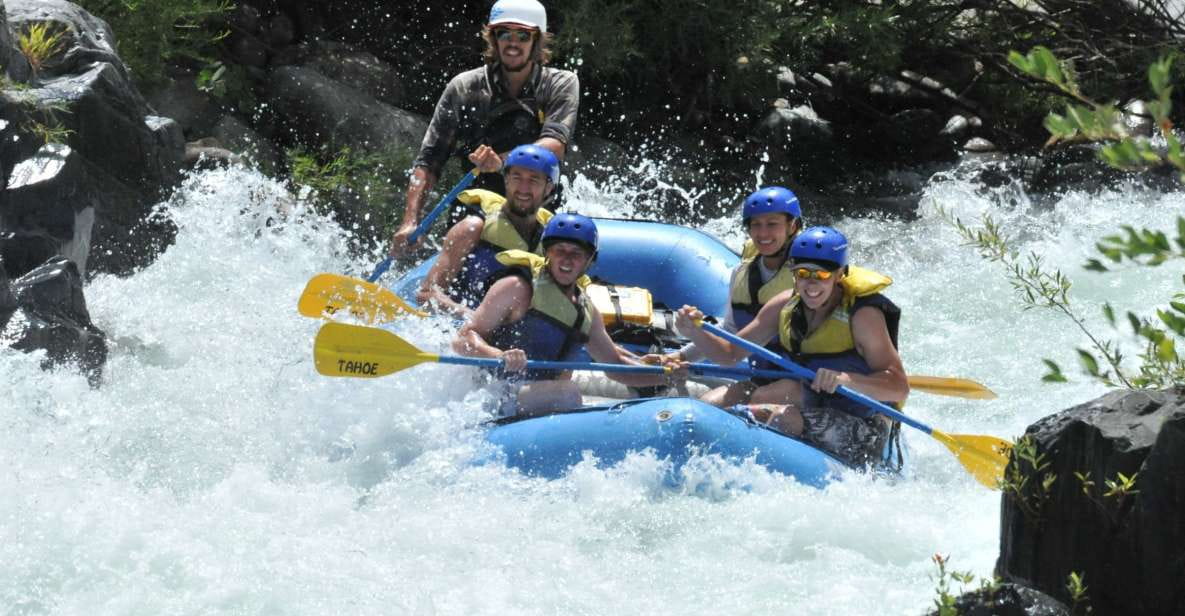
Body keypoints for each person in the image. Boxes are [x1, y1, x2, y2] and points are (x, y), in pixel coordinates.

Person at [675, 226, 909, 466]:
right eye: (803, 274)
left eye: (822, 275)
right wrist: (696, 331)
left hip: (861, 422)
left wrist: (846, 380)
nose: (811, 284)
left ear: (840, 274)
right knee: (709, 406)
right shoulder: (784, 305)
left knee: (776, 415)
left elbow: (899, 387)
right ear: (793, 273)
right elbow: (730, 354)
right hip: (804, 396)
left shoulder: (862, 317)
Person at [390, 0, 579, 256]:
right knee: (470, 227)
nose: (513, 43)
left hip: (537, 203)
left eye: (523, 35)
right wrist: (410, 220)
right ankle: (430, 292)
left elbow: (555, 144)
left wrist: (503, 162)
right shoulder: (463, 88)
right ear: (493, 38)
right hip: (476, 205)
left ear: (537, 41)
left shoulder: (560, 83)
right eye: (504, 34)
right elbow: (428, 162)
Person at [454, 214, 686, 415]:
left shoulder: (586, 311)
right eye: (559, 250)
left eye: (576, 253)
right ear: (547, 253)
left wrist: (665, 375)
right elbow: (463, 338)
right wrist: (497, 354)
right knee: (568, 393)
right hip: (493, 393)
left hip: (538, 401)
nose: (567, 259)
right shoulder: (517, 287)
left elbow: (617, 366)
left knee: (567, 393)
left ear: (589, 260)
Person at [652, 186, 805, 407]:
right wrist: (680, 357)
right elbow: (731, 332)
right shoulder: (741, 273)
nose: (762, 234)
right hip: (764, 377)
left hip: (802, 381)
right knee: (706, 405)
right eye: (756, 224)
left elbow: (731, 353)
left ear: (793, 226)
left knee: (762, 401)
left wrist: (697, 333)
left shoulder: (805, 280)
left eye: (772, 224)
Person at [416, 143, 559, 316]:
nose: (523, 188)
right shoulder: (473, 228)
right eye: (516, 177)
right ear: (506, 180)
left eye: (534, 179)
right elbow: (426, 294)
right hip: (457, 322)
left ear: (549, 188)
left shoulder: (552, 241)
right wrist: (475, 317)